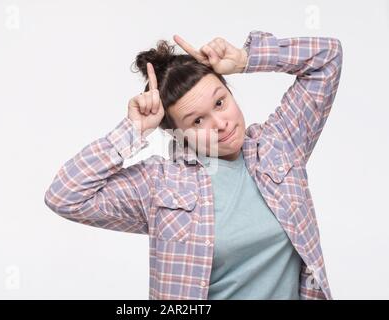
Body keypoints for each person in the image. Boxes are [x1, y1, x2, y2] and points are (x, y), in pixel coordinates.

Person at [44, 30, 343, 300]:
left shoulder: (278, 145)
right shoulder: (161, 184)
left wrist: (245, 59)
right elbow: (65, 196)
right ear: (178, 133)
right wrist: (132, 130)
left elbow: (327, 58)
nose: (220, 124)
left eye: (220, 102)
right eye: (197, 121)